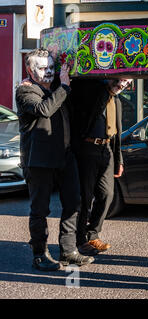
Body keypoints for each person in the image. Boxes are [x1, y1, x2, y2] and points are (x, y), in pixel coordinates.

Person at [15, 48, 94, 270]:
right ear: (30, 70)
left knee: (73, 202)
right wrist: (65, 86)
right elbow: (44, 109)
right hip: (38, 160)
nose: (48, 72)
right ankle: (40, 254)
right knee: (40, 209)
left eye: (51, 67)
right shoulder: (25, 91)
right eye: (42, 68)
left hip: (65, 156)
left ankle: (68, 251)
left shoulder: (59, 89)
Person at [68, 78, 130, 256]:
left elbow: (117, 133)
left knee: (107, 194)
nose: (122, 85)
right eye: (120, 80)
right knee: (85, 197)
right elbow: (92, 106)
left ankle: (92, 232)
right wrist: (107, 88)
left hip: (107, 149)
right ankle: (80, 240)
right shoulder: (95, 94)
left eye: (126, 82)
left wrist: (119, 160)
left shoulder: (117, 100)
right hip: (88, 148)